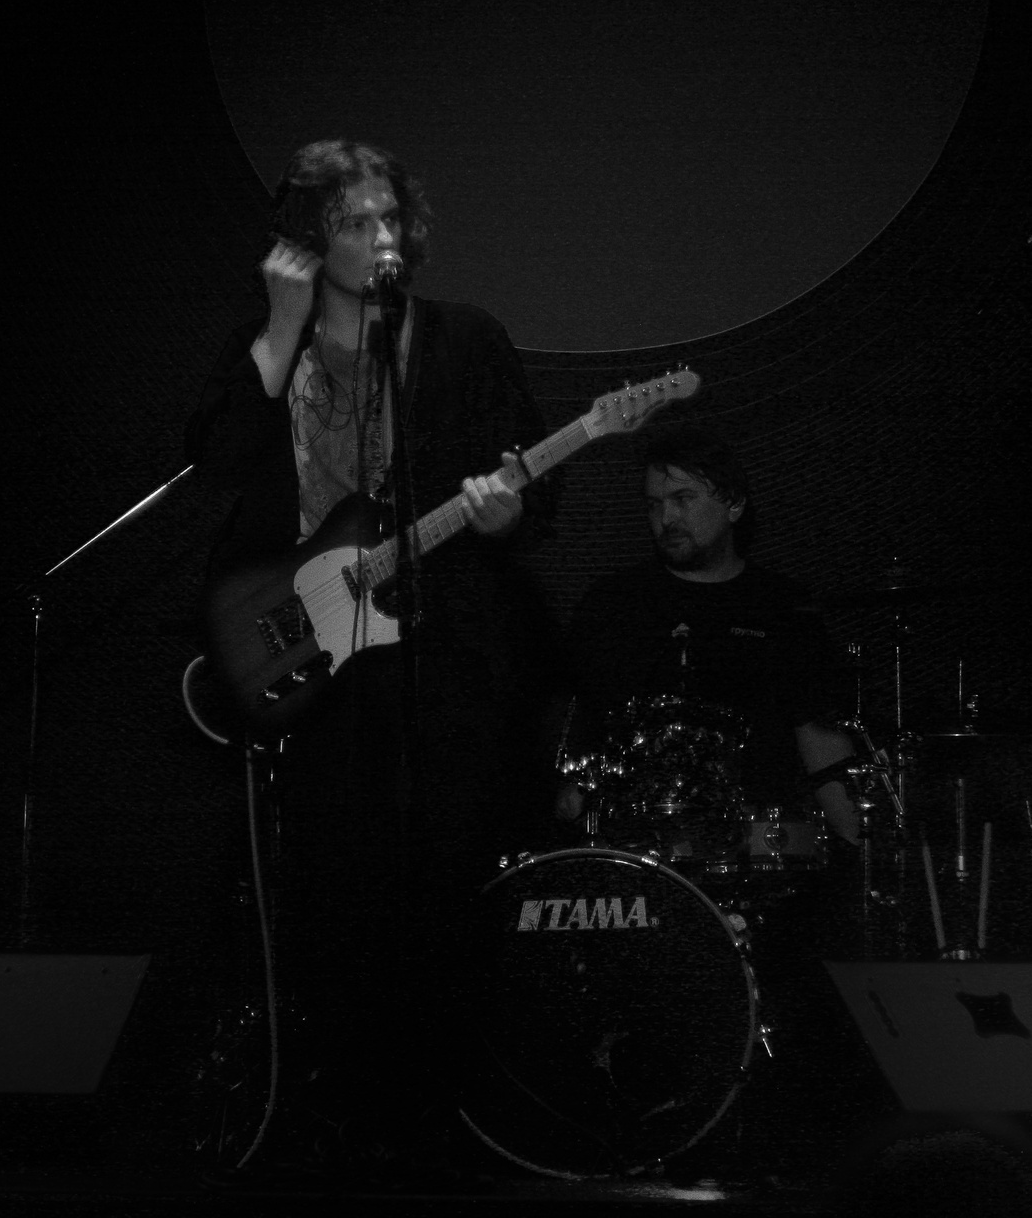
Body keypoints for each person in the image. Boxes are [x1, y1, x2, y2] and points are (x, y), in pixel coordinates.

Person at [184, 139, 553, 1175]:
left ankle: (451, 1123)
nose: (382, 237)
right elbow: (216, 464)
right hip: (322, 667)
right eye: (355, 222)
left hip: (443, 662)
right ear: (309, 239)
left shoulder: (464, 339)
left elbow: (530, 480)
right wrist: (280, 329)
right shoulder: (272, 345)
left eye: (391, 218)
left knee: (446, 888)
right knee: (337, 894)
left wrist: (510, 508)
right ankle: (343, 1121)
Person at [560, 427, 861, 856]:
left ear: (734, 503)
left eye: (683, 499)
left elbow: (821, 740)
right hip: (635, 847)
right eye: (654, 505)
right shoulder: (614, 604)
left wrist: (863, 845)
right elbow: (574, 725)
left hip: (755, 847)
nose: (666, 518)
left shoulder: (782, 606)